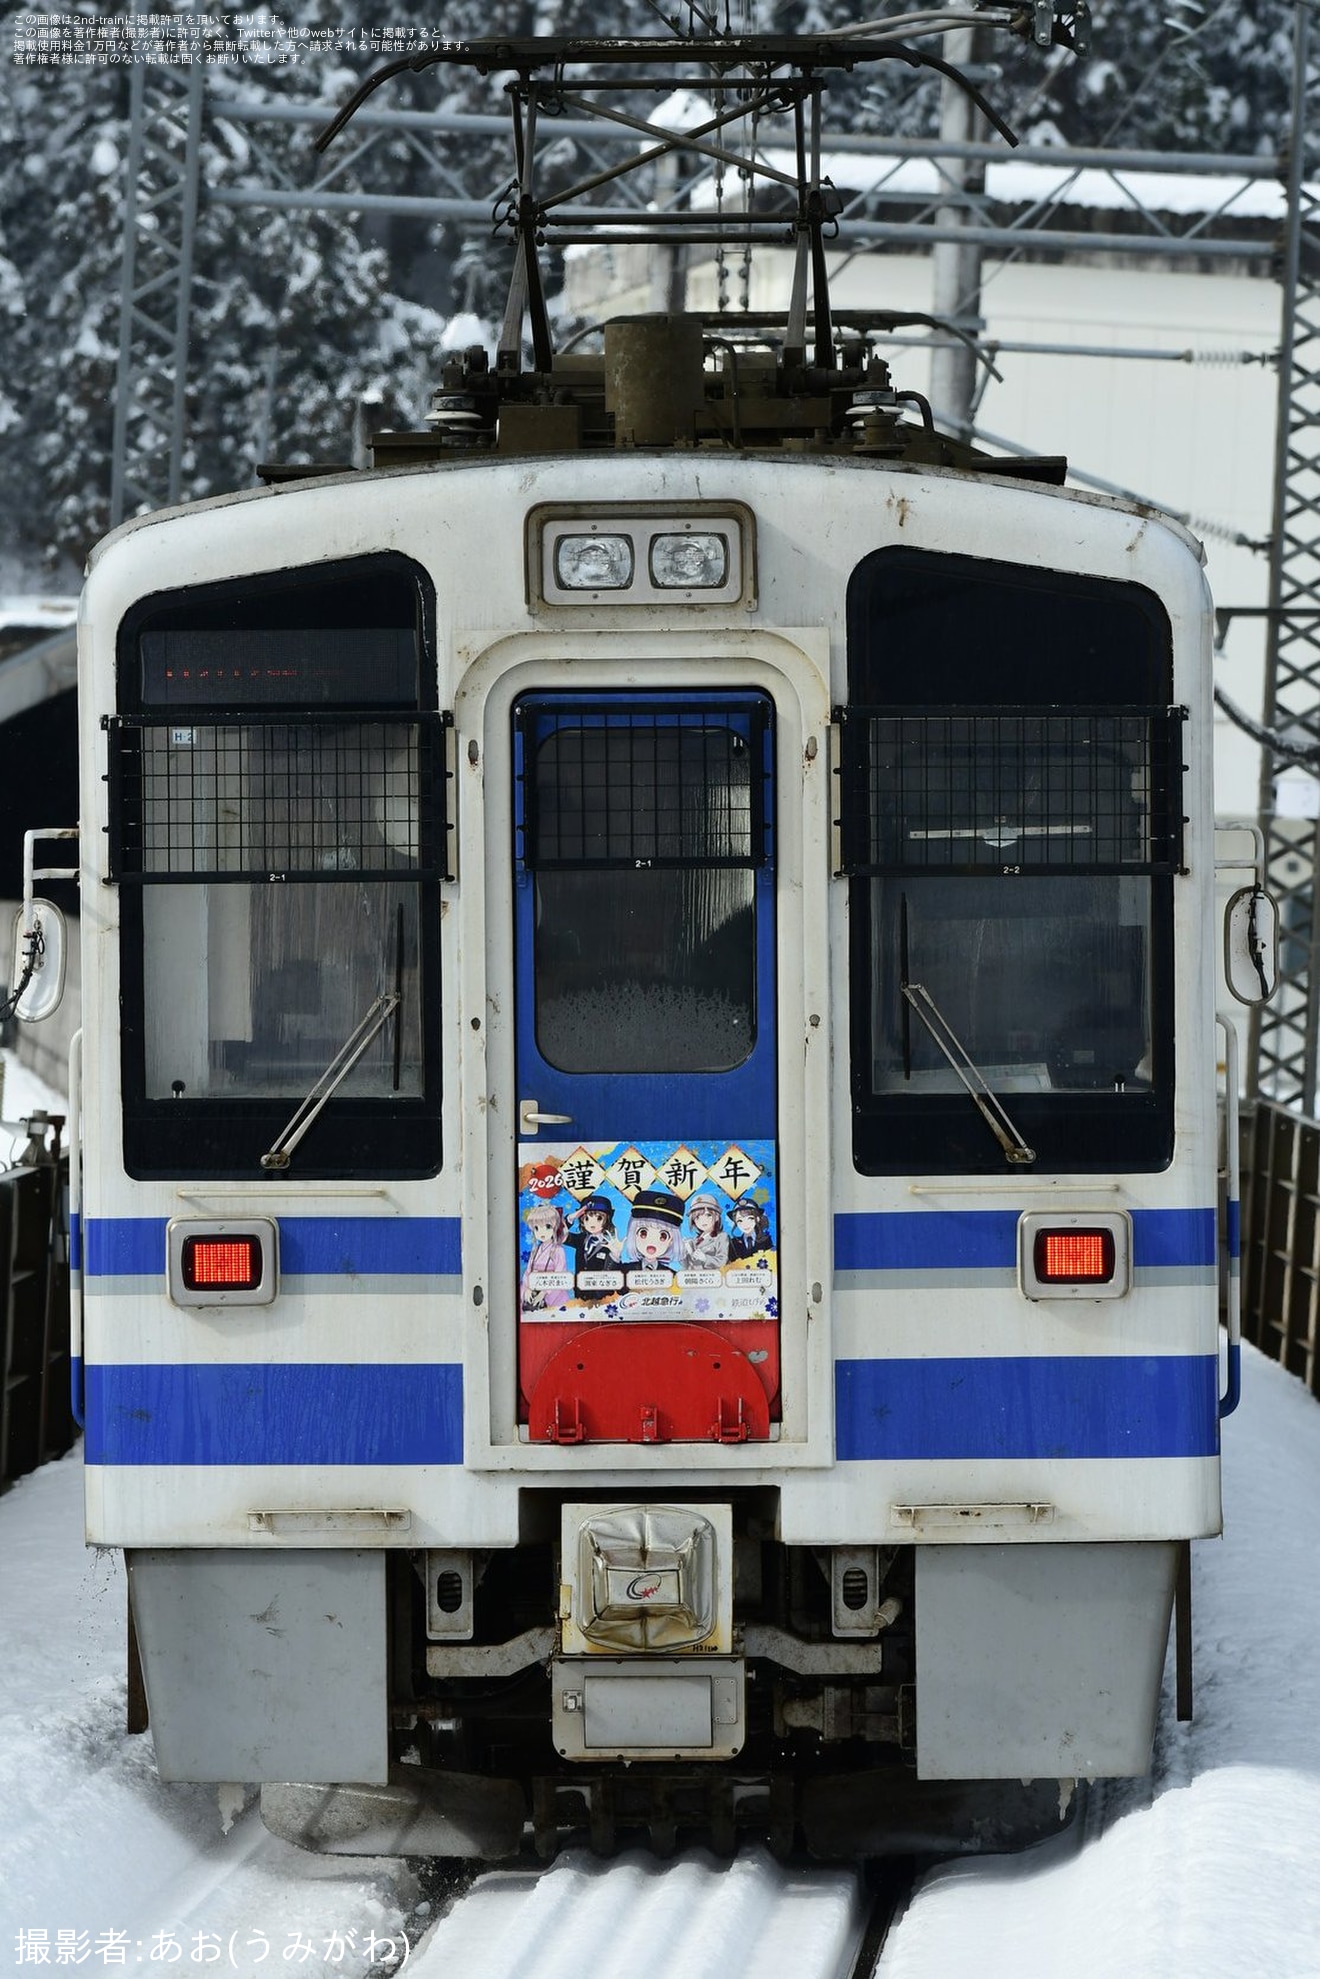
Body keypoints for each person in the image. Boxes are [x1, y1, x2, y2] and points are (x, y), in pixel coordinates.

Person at [683, 1191, 729, 1269]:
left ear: (717, 1217)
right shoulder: (694, 1240)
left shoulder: (721, 1236)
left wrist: (705, 1258)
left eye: (708, 1215)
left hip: (713, 1278)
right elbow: (686, 1266)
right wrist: (684, 1252)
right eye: (697, 1217)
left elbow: (723, 1261)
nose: (703, 1221)